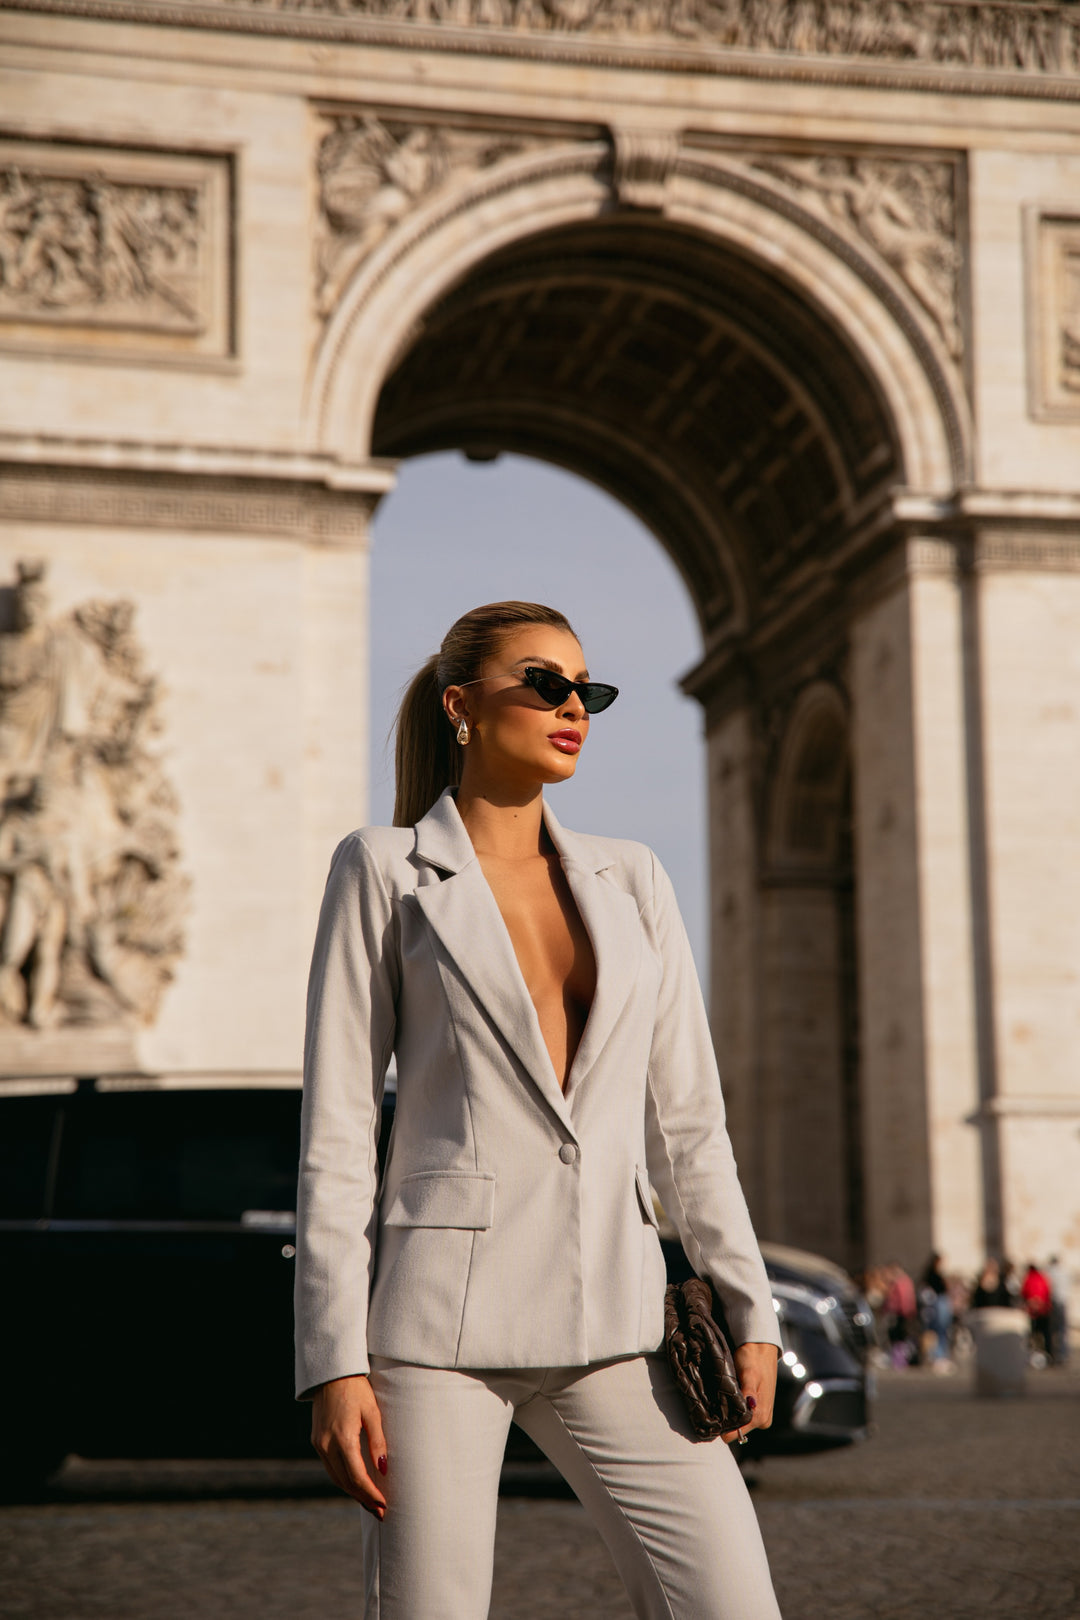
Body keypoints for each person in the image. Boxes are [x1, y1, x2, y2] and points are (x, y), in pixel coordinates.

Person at [294, 602, 783, 1620]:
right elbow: (339, 1137)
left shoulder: (634, 876)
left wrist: (753, 1308)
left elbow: (687, 1125)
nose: (574, 709)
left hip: (618, 1317)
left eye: (587, 691)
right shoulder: (381, 871)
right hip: (437, 1332)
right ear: (461, 704)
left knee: (732, 1604)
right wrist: (332, 1362)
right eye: (545, 683)